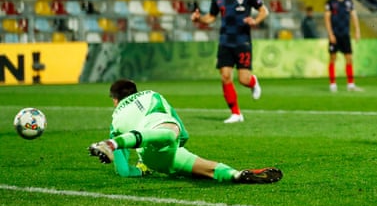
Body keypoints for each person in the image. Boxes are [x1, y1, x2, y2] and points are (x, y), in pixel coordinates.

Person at [88, 79, 283, 184]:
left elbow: (123, 171)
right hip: (167, 139)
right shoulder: (152, 95)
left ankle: (237, 175)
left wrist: (141, 170)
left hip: (150, 158)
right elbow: (185, 135)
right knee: (170, 132)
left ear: (114, 100)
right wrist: (176, 142)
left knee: (205, 170)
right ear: (135, 91)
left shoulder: (115, 120)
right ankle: (111, 144)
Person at [191, 0, 268, 123]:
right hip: (225, 41)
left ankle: (253, 83)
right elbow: (211, 17)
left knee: (243, 79)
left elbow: (263, 10)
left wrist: (256, 21)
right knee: (225, 76)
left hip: (242, 41)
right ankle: (236, 113)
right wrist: (199, 19)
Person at [324, 0, 362, 92]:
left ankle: (350, 84)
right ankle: (332, 84)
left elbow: (354, 16)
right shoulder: (330, 2)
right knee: (332, 58)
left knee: (349, 58)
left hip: (345, 34)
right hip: (334, 34)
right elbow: (327, 19)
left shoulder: (349, 2)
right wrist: (330, 34)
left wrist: (357, 30)